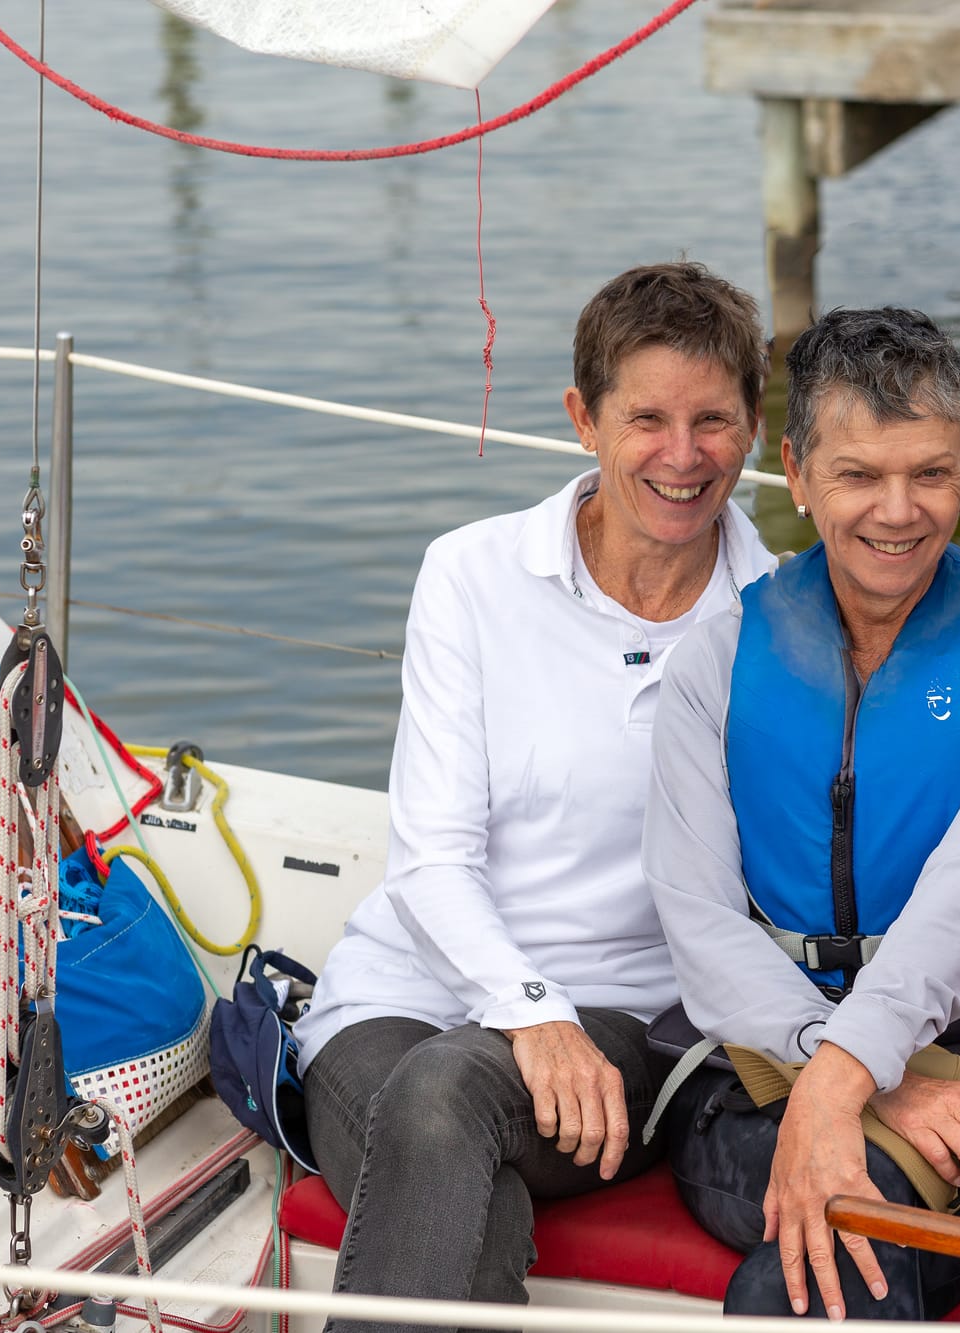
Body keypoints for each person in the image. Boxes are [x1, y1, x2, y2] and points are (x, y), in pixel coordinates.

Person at [292, 262, 779, 1333]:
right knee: (464, 1172)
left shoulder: (782, 619)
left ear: (752, 425)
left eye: (711, 419)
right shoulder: (471, 574)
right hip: (400, 995)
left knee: (442, 1098)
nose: (683, 454)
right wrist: (529, 1009)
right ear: (582, 419)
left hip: (627, 1028)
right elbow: (432, 858)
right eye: (646, 418)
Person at [644, 307, 960, 1322]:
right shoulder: (717, 660)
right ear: (797, 472)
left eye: (929, 473)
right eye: (858, 475)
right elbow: (698, 919)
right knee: (827, 1254)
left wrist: (851, 1072)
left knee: (816, 1273)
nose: (898, 512)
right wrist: (847, 1074)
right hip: (759, 1076)